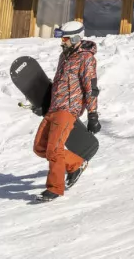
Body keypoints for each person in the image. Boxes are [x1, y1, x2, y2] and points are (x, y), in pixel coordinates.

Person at [33, 20, 100, 201]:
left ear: (77, 38)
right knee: (40, 147)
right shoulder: (64, 57)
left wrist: (93, 114)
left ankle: (55, 188)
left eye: (65, 39)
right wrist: (44, 104)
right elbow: (58, 84)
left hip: (68, 109)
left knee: (54, 149)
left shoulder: (86, 58)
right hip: (54, 107)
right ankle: (76, 164)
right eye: (62, 39)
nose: (62, 42)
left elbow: (90, 88)